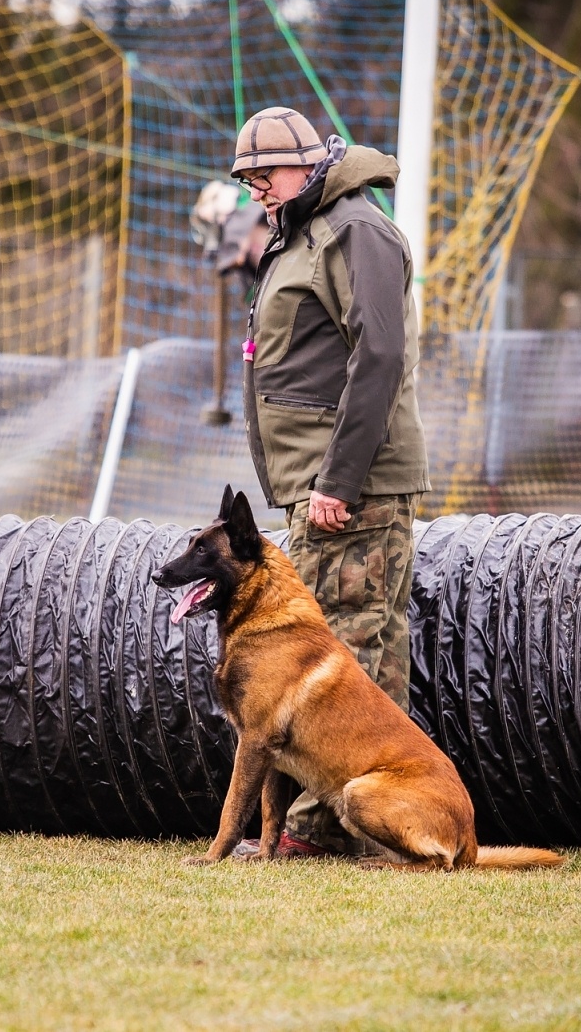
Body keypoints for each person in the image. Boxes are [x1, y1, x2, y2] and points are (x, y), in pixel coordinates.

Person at [229, 106, 431, 857]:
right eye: (248, 182)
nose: (257, 192)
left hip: (350, 488)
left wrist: (338, 479)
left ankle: (316, 832)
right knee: (362, 651)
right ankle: (353, 827)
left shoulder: (355, 229)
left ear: (307, 163)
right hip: (317, 483)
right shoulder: (306, 230)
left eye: (264, 177)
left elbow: (379, 355)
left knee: (339, 653)